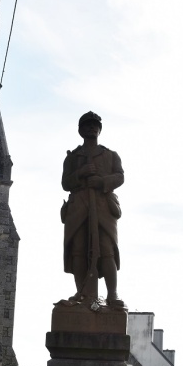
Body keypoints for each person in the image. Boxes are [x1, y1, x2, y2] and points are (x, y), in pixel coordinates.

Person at [60, 111, 125, 306]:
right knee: (78, 250)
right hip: (79, 205)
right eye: (87, 124)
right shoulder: (72, 158)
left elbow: (120, 176)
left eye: (95, 125)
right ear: (80, 130)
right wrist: (81, 173)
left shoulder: (111, 155)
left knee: (107, 249)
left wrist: (101, 181)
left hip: (103, 205)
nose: (92, 127)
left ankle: (112, 294)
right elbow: (65, 183)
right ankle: (84, 294)